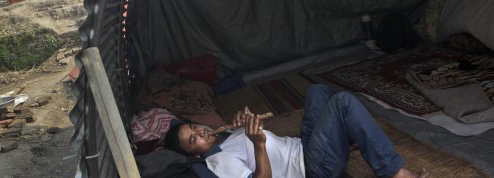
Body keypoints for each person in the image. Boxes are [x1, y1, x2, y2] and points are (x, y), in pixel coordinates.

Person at [164, 84, 428, 178]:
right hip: (313, 168)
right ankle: (395, 172)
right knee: (342, 102)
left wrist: (246, 126)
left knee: (318, 92)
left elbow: (272, 144)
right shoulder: (218, 161)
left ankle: (344, 139)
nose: (200, 133)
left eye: (194, 127)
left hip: (304, 146)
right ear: (196, 155)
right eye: (193, 140)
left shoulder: (224, 135)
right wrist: (257, 143)